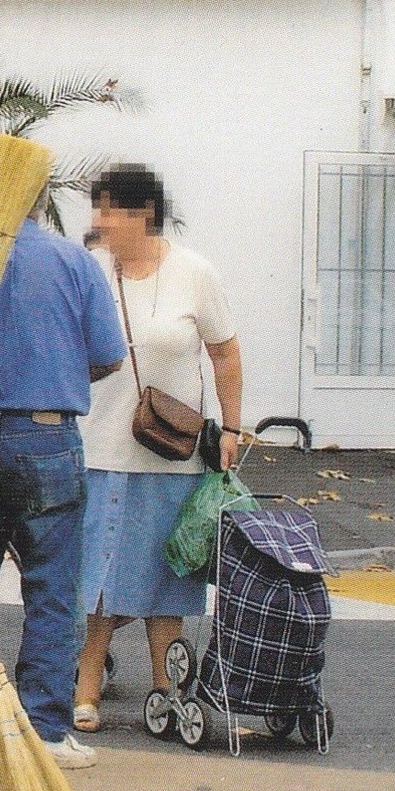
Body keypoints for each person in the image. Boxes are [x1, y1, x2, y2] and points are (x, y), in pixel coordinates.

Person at [0, 196, 127, 770]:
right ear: (42, 198)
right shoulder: (75, 262)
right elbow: (109, 356)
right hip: (45, 434)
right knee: (52, 584)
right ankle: (45, 729)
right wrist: (57, 369)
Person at [73, 165, 244, 732]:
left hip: (173, 452)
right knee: (99, 577)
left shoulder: (195, 273)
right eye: (97, 210)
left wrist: (233, 429)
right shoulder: (92, 271)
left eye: (109, 210)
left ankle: (166, 688)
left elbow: (225, 354)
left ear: (142, 214)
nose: (98, 222)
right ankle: (86, 683)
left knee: (166, 575)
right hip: (101, 447)